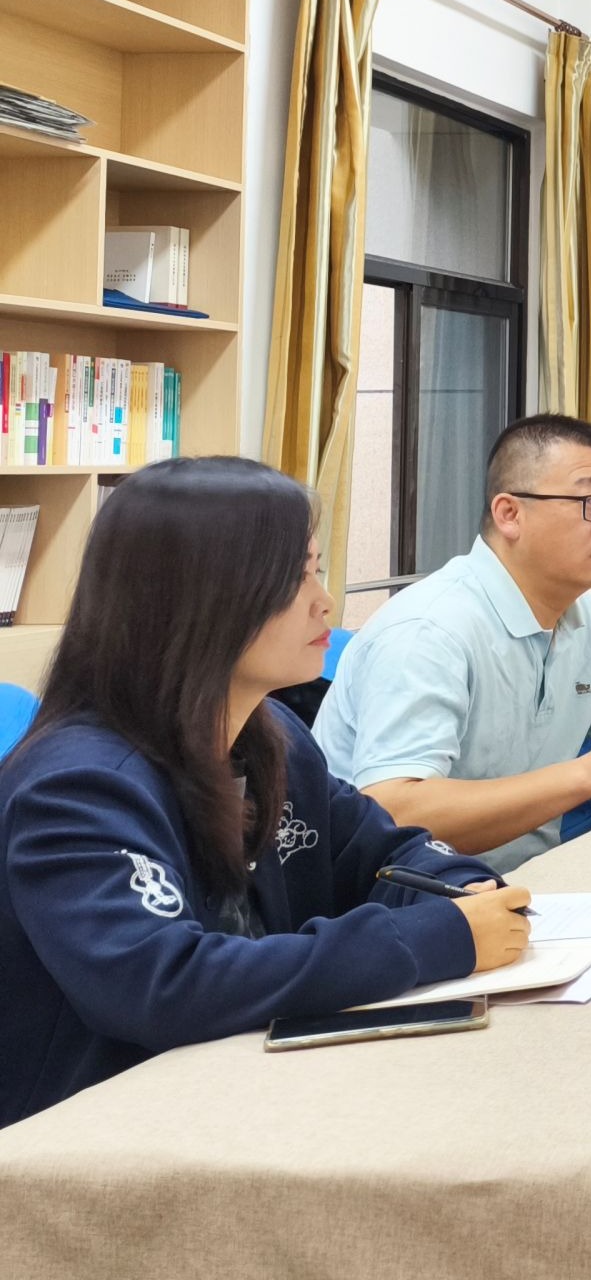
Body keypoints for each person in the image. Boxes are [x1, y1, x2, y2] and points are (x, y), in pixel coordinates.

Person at [0, 459, 530, 1129]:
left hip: (246, 1093)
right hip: (91, 1140)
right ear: (202, 596)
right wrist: (431, 940)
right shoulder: (77, 786)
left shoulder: (270, 734)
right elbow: (163, 983)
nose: (325, 602)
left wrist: (462, 891)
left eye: (317, 570)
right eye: (296, 577)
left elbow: (386, 856)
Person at [315, 415, 591, 873]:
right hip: (402, 895)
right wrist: (590, 773)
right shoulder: (431, 628)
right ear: (509, 514)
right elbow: (394, 811)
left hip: (527, 879)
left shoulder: (588, 615)